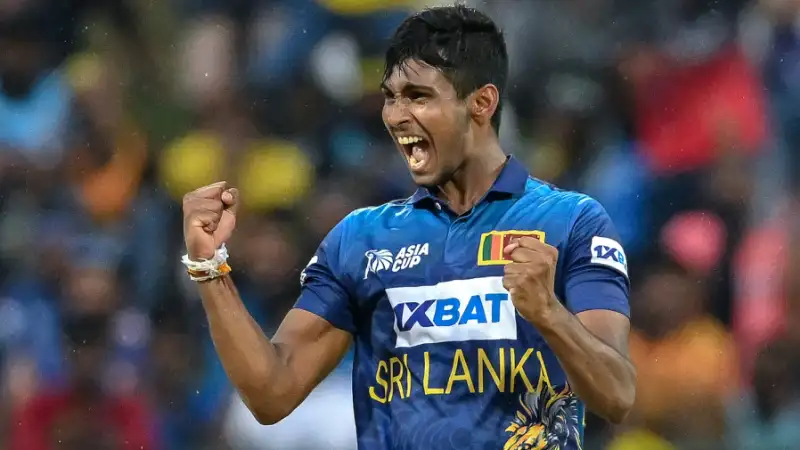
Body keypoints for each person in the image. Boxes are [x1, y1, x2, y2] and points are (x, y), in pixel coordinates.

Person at [181, 5, 635, 449]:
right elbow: (271, 395)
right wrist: (209, 266)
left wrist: (549, 314)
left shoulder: (572, 222)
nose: (396, 116)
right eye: (390, 97)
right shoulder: (360, 240)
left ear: (481, 103)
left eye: (418, 96)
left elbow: (616, 395)